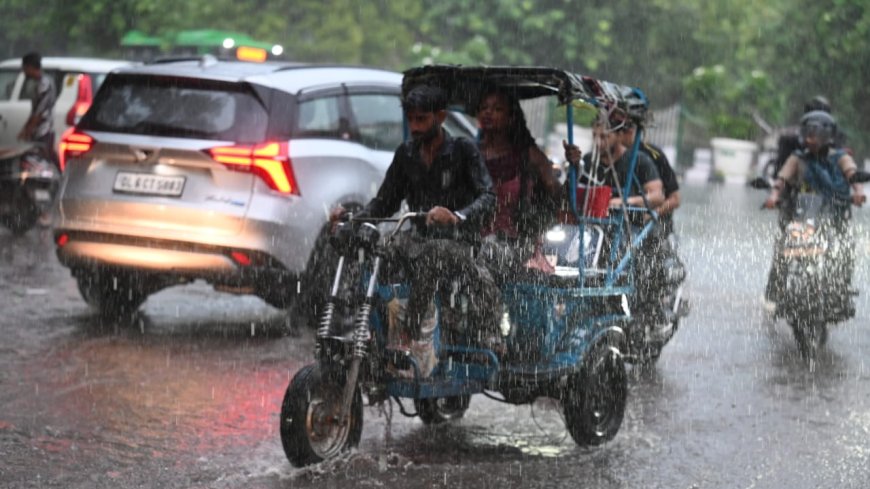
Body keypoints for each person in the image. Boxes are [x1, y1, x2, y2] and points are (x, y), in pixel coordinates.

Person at [330, 85, 497, 377]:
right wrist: (354, 218)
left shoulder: (463, 150)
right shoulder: (406, 154)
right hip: (415, 240)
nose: (415, 127)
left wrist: (456, 216)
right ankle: (366, 330)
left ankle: (411, 335)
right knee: (372, 247)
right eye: (411, 119)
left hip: (460, 244)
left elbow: (488, 197)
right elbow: (385, 202)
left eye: (422, 119)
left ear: (441, 117)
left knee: (432, 254)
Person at [763, 110, 865, 311]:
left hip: (834, 217)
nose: (810, 138)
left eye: (815, 133)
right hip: (803, 217)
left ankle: (840, 291)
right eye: (807, 133)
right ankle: (775, 293)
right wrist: (774, 197)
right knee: (783, 248)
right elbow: (781, 180)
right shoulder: (798, 158)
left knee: (845, 251)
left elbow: (852, 174)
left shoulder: (840, 157)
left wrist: (859, 191)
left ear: (827, 135)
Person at [475, 87, 561, 280]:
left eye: (497, 109)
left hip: (516, 242)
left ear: (511, 118)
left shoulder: (528, 155)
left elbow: (557, 195)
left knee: (484, 252)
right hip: (474, 239)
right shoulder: (470, 154)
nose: (488, 113)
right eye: (484, 108)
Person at [17, 52, 58, 168]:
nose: (24, 71)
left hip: (44, 129)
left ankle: (58, 178)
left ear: (30, 67)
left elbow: (39, 111)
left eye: (24, 68)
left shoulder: (44, 84)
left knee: (44, 156)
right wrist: (26, 128)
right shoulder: (40, 83)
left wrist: (29, 129)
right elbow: (35, 110)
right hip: (40, 129)